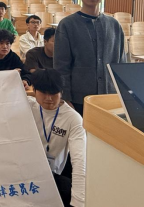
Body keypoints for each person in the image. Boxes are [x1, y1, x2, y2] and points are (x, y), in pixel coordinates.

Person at [54, 0, 125, 116]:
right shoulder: (67, 25)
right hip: (79, 97)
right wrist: (65, 97)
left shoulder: (114, 25)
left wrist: (124, 94)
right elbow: (61, 65)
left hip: (110, 96)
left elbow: (122, 63)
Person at [28, 69, 86, 207]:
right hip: (26, 171)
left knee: (66, 189)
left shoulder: (73, 119)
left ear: (61, 92)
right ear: (34, 91)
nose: (48, 98)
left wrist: (78, 201)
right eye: (43, 92)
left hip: (52, 175)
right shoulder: (27, 107)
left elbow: (80, 159)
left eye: (53, 93)